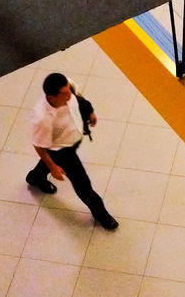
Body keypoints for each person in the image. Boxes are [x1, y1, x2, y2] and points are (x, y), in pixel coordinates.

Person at [26, 72, 118, 230]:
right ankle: (100, 213)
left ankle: (35, 177)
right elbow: (39, 145)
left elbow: (79, 97)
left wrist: (90, 112)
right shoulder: (42, 118)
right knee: (83, 185)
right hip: (62, 150)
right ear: (52, 97)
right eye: (65, 93)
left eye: (69, 90)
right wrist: (54, 168)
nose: (70, 94)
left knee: (47, 163)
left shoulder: (67, 87)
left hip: (73, 138)